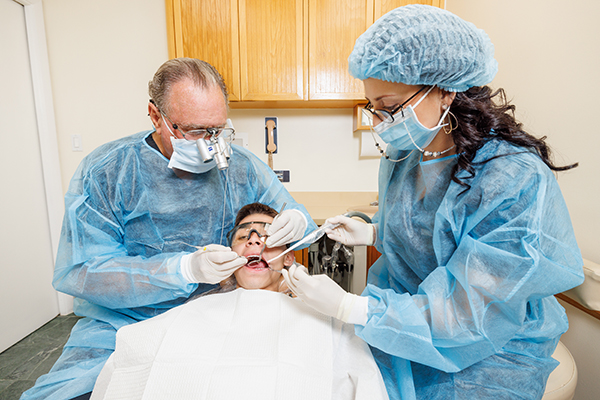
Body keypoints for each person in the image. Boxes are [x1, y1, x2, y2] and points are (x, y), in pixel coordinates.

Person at [282, 5, 584, 400]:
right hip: (405, 327)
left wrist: (351, 309)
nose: (380, 123)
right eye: (374, 109)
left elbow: (471, 314)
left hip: (483, 355)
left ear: (444, 90)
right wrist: (375, 230)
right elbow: (430, 233)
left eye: (390, 108)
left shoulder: (511, 178)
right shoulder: (409, 154)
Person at [21, 59, 317, 400]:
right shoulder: (109, 171)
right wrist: (182, 269)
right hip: (125, 324)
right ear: (155, 115)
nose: (212, 144)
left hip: (218, 314)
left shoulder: (242, 167)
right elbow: (82, 271)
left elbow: (296, 219)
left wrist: (295, 220)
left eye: (218, 130)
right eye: (195, 131)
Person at [89, 203, 389, 400]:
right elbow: (131, 360)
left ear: (288, 257)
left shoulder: (326, 319)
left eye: (269, 237)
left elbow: (365, 383)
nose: (255, 240)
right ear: (228, 258)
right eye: (244, 236)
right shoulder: (190, 314)